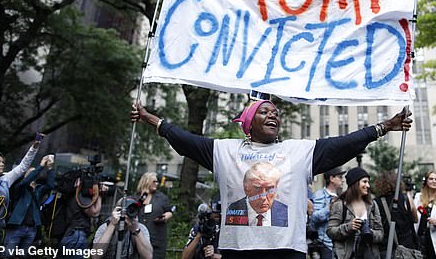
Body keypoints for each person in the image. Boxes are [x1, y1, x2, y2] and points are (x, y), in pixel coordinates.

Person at [131, 99, 412, 259]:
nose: (273, 115)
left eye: (276, 113)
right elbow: (185, 140)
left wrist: (384, 127)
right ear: (248, 123)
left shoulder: (298, 151)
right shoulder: (226, 150)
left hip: (287, 251)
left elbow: (344, 144)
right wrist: (152, 120)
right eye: (264, 112)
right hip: (237, 251)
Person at [3, 154, 55, 254]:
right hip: (16, 227)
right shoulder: (19, 187)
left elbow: (50, 185)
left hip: (32, 229)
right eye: (31, 173)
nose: (34, 174)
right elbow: (25, 182)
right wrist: (40, 166)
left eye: (35, 173)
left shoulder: (38, 189)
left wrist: (50, 168)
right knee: (7, 254)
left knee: (23, 256)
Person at [327, 167, 384, 259]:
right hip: (346, 255)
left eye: (368, 182)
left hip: (369, 255)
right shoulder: (340, 205)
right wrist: (348, 227)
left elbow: (380, 234)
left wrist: (369, 233)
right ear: (355, 183)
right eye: (364, 182)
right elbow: (330, 231)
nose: (368, 185)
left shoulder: (372, 205)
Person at [225, 161, 288, 227]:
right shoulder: (232, 209)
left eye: (270, 189)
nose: (263, 197)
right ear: (246, 188)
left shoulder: (286, 213)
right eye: (257, 188)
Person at [373, 170, 418, 259]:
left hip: (387, 248)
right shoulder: (405, 198)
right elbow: (415, 219)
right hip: (407, 247)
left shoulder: (376, 202)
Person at [60, 175, 105, 257]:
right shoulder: (80, 195)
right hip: (77, 234)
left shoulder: (72, 194)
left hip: (71, 233)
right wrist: (100, 194)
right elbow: (95, 212)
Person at [136, 172, 174, 259]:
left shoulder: (161, 198)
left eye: (157, 182)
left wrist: (164, 217)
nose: (156, 184)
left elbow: (170, 212)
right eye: (154, 181)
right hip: (138, 239)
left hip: (156, 240)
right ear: (146, 181)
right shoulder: (136, 198)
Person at [312, 166, 346, 259]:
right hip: (325, 244)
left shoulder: (341, 197)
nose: (342, 180)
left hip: (339, 245)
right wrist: (329, 208)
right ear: (332, 178)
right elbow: (313, 218)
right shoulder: (319, 195)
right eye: (340, 177)